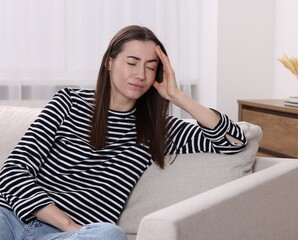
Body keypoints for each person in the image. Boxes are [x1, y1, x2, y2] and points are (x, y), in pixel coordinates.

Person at [0, 25, 247, 240]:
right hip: (10, 217)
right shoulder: (69, 103)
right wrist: (68, 225)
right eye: (131, 63)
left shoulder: (159, 130)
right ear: (109, 62)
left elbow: (234, 142)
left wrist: (179, 97)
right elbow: (12, 172)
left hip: (74, 237)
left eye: (151, 68)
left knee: (110, 234)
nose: (140, 75)